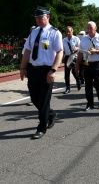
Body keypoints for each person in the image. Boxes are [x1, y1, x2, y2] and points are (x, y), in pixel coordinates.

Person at [20, 7, 63, 139]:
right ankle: (50, 114)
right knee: (34, 98)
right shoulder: (33, 32)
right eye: (37, 18)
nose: (38, 20)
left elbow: (60, 52)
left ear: (48, 17)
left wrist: (53, 70)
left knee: (44, 100)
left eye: (41, 17)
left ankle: (41, 127)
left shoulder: (55, 33)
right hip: (33, 70)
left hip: (46, 70)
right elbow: (27, 50)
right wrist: (23, 68)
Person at [76, 21, 99, 110]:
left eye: (91, 28)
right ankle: (90, 103)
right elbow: (80, 52)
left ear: (95, 28)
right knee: (88, 85)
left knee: (98, 83)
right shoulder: (83, 39)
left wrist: (96, 51)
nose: (89, 30)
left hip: (98, 63)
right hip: (87, 63)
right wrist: (77, 64)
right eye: (88, 28)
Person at [63, 26, 81, 94]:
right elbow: (63, 50)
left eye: (69, 31)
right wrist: (62, 57)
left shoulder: (76, 39)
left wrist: (77, 48)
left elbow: (80, 48)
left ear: (72, 31)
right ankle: (67, 88)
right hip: (67, 57)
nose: (68, 33)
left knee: (74, 72)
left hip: (74, 56)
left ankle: (78, 81)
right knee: (66, 74)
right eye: (67, 32)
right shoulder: (64, 40)